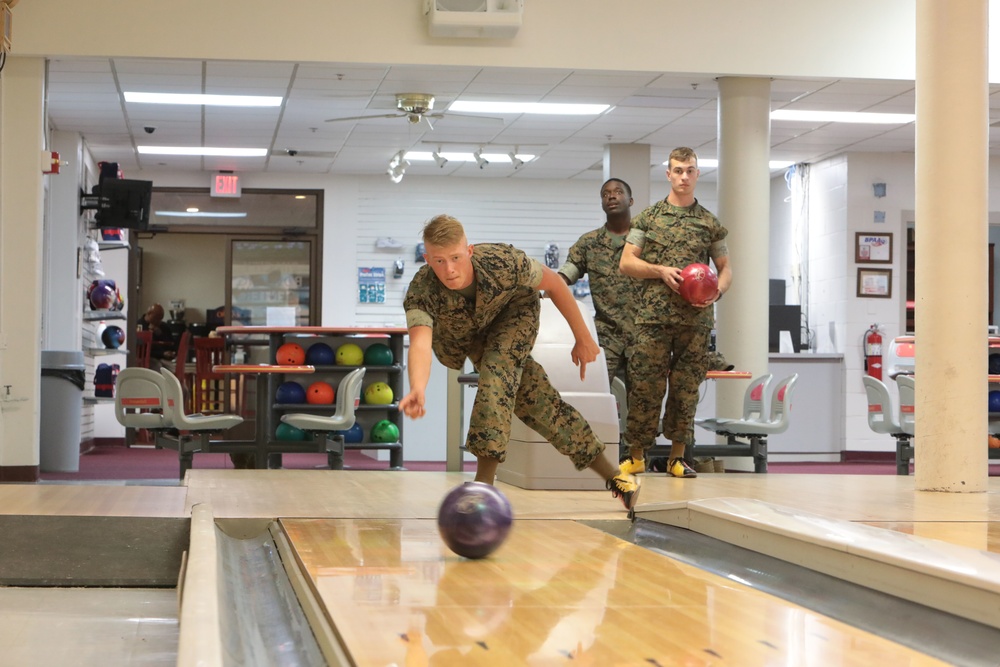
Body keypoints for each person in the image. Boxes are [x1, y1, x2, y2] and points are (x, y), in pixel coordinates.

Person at [400, 214, 640, 510]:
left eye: (455, 258)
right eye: (438, 261)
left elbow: (553, 283)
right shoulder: (421, 291)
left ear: (469, 251)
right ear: (426, 258)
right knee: (541, 403)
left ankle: (481, 490)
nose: (449, 270)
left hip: (516, 315)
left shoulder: (502, 261)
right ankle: (616, 477)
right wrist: (417, 387)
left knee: (496, 375)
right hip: (474, 337)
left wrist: (583, 337)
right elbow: (421, 343)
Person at [619, 147, 732, 479]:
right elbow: (627, 262)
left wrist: (717, 291)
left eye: (690, 170)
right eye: (678, 170)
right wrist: (659, 271)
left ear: (698, 174)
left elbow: (725, 269)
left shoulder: (710, 224)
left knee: (685, 390)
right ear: (667, 174)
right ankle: (637, 455)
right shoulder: (647, 218)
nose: (684, 176)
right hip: (650, 319)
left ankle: (677, 458)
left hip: (694, 320)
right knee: (644, 387)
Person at [557, 177, 640, 392]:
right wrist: (550, 286)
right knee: (592, 394)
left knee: (643, 410)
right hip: (605, 336)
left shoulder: (645, 241)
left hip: (642, 336)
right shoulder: (589, 243)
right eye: (605, 194)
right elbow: (569, 271)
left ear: (631, 201)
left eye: (618, 192)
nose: (611, 196)